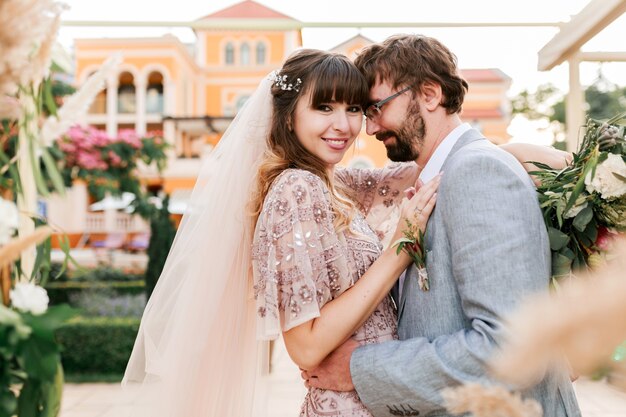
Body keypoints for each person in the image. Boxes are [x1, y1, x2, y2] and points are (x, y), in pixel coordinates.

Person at [302, 35, 582, 417]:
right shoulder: (443, 175)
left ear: (430, 94)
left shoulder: (477, 172)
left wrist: (360, 368)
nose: (369, 129)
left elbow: (508, 346)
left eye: (377, 108)